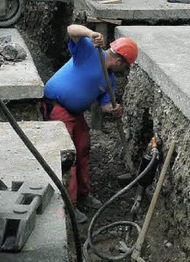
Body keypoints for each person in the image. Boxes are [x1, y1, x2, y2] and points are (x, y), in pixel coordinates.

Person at [43, 24, 138, 224]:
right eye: (126, 66)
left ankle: (84, 194)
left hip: (75, 113)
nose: (124, 71)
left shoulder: (109, 80)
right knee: (68, 157)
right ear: (119, 60)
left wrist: (112, 109)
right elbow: (70, 29)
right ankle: (70, 205)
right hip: (58, 107)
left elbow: (104, 106)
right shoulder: (90, 51)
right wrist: (90, 33)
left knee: (83, 148)